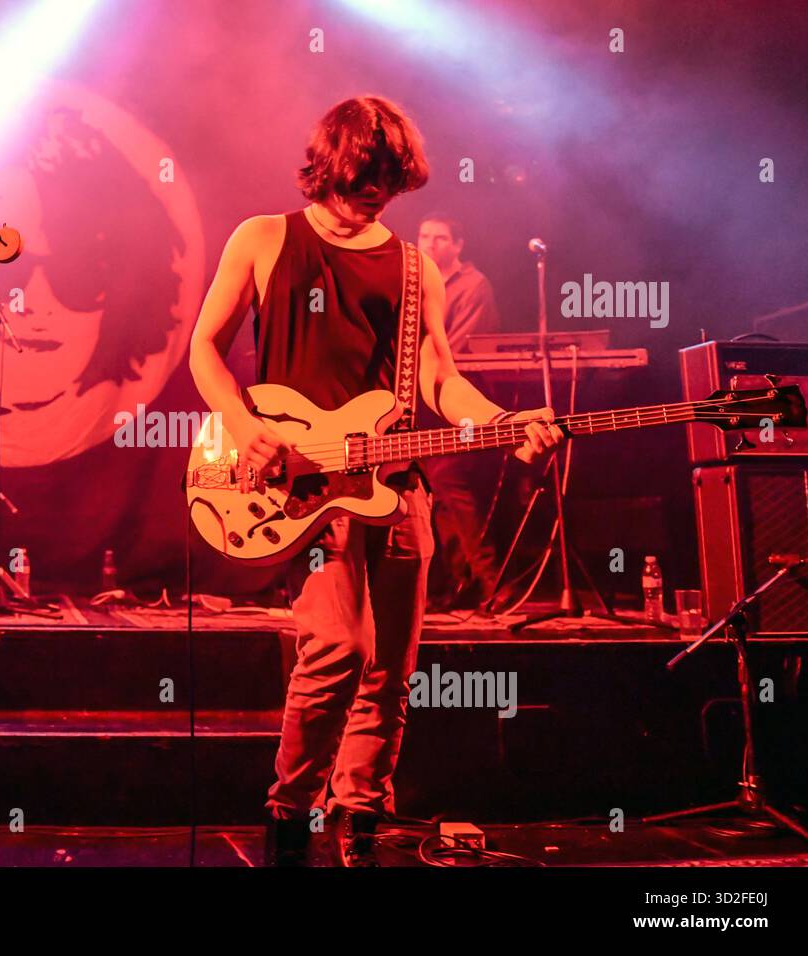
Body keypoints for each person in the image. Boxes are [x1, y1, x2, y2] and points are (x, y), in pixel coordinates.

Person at [189, 95, 562, 866]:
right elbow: (204, 348)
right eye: (367, 174)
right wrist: (242, 423)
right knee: (335, 645)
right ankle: (290, 813)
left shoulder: (413, 264)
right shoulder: (265, 238)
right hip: (301, 483)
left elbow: (439, 380)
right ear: (332, 160)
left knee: (391, 669)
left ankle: (358, 816)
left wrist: (506, 421)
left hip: (396, 484)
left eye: (392, 180)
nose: (378, 193)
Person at [417, 213, 502, 609]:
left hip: (459, 402)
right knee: (435, 493)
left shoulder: (474, 286)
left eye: (440, 237)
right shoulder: (414, 282)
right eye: (424, 236)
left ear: (458, 244)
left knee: (452, 485)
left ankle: (494, 585)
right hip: (423, 409)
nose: (430, 244)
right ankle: (459, 586)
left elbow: (452, 351)